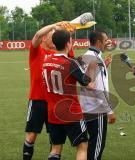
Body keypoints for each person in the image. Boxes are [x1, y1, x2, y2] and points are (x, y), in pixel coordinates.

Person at [23, 21, 73, 160]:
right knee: (31, 136)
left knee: (56, 139)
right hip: (37, 100)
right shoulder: (36, 51)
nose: (55, 37)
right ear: (45, 38)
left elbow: (70, 53)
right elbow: (37, 34)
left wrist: (67, 34)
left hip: (54, 102)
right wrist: (54, 25)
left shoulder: (56, 54)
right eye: (52, 35)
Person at [43, 29, 94, 160]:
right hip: (71, 113)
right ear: (68, 43)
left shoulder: (46, 60)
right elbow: (89, 85)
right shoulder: (71, 63)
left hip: (53, 112)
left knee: (55, 148)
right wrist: (91, 70)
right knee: (82, 146)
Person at [80, 30, 116, 160]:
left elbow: (89, 79)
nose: (109, 42)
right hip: (97, 110)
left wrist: (104, 66)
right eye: (106, 40)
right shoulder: (95, 58)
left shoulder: (87, 55)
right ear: (99, 42)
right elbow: (99, 89)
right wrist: (109, 111)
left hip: (85, 108)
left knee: (89, 144)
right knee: (97, 146)